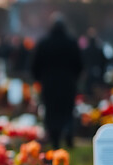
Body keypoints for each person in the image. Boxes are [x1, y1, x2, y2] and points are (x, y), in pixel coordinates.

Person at [31, 15, 82, 149]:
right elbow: (79, 65)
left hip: (49, 84)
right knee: (67, 111)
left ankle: (55, 140)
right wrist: (74, 78)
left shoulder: (44, 43)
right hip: (68, 84)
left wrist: (39, 79)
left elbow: (35, 65)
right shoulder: (71, 43)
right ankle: (68, 134)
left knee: (51, 112)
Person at [81, 28, 109, 99]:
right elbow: (105, 62)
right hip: (98, 76)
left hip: (89, 77)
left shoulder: (86, 51)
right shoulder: (99, 50)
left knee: (90, 96)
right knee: (97, 96)